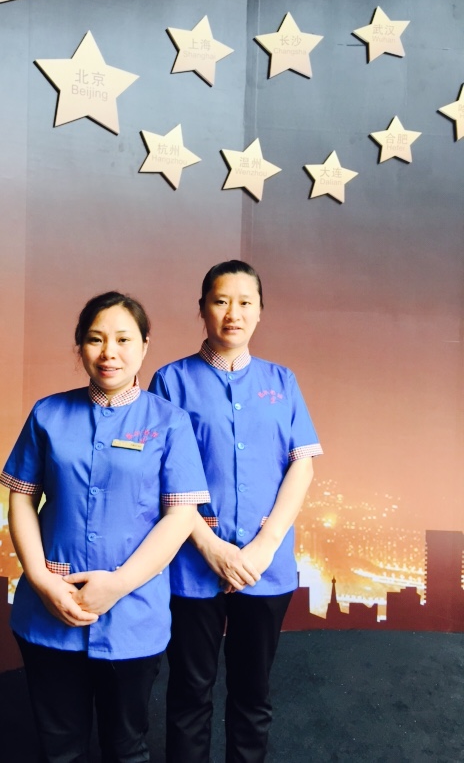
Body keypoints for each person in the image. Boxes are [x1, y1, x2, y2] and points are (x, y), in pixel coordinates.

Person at [0, 290, 210, 763]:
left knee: (126, 747)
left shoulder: (169, 422)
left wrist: (117, 585)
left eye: (122, 339)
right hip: (49, 608)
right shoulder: (48, 413)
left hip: (133, 612)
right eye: (95, 339)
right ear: (80, 346)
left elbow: (180, 517)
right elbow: (22, 497)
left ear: (145, 345)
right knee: (59, 747)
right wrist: (40, 580)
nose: (108, 352)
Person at [149, 260, 323, 763]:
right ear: (202, 309)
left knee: (252, 693)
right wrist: (211, 548)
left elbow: (302, 465)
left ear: (260, 311)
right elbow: (161, 475)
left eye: (246, 303)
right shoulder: (171, 381)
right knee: (189, 693)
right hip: (191, 563)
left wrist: (264, 546)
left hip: (266, 566)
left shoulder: (282, 381)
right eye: (221, 301)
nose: (234, 313)